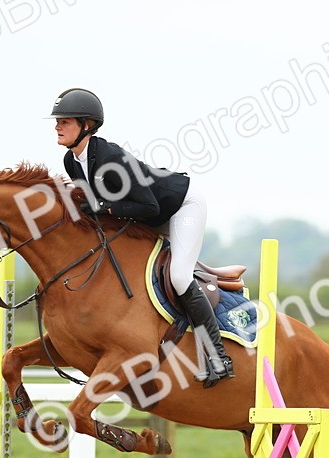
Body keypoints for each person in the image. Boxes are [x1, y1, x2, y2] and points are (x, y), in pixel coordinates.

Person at [48, 87, 234, 389]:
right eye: (57, 121)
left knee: (179, 277)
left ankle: (217, 355)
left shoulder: (111, 158)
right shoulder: (72, 161)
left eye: (65, 121)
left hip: (180, 207)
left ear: (86, 125)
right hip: (148, 216)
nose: (57, 126)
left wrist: (104, 206)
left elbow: (149, 205)